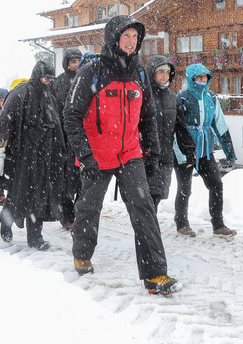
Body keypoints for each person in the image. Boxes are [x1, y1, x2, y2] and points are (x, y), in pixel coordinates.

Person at [63, 15, 179, 295]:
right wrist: (85, 155)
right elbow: (71, 115)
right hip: (97, 155)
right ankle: (82, 253)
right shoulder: (92, 71)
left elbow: (148, 115)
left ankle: (155, 275)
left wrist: (151, 151)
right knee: (89, 209)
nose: (131, 42)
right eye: (125, 36)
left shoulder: (139, 73)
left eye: (135, 37)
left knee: (144, 211)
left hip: (129, 153)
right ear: (113, 38)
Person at [0, 62, 64, 249]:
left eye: (50, 79)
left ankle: (35, 238)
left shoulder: (50, 96)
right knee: (19, 194)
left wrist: (60, 153)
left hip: (44, 156)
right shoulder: (20, 94)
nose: (47, 82)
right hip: (21, 156)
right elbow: (5, 124)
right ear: (36, 76)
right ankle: (6, 222)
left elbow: (57, 126)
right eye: (44, 78)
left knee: (40, 196)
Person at [173, 63, 238, 237]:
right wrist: (179, 154)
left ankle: (218, 225)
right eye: (198, 77)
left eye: (205, 77)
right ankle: (182, 223)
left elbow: (220, 124)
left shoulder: (211, 97)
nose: (202, 80)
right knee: (184, 188)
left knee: (216, 184)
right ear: (191, 79)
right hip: (186, 151)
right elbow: (174, 128)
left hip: (205, 151)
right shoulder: (182, 98)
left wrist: (229, 152)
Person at [144, 55, 196, 212]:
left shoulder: (172, 99)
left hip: (165, 156)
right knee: (146, 198)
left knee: (158, 195)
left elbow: (180, 127)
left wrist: (189, 149)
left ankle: (148, 232)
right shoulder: (143, 96)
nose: (164, 75)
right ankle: (148, 234)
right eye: (160, 72)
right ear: (151, 73)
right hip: (145, 156)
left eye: (167, 72)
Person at [52, 47, 83, 230]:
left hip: (81, 139)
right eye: (73, 61)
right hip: (63, 140)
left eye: (78, 61)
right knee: (65, 182)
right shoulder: (59, 83)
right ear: (66, 63)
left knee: (82, 181)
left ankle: (80, 214)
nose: (76, 65)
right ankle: (67, 216)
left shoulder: (86, 80)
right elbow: (55, 111)